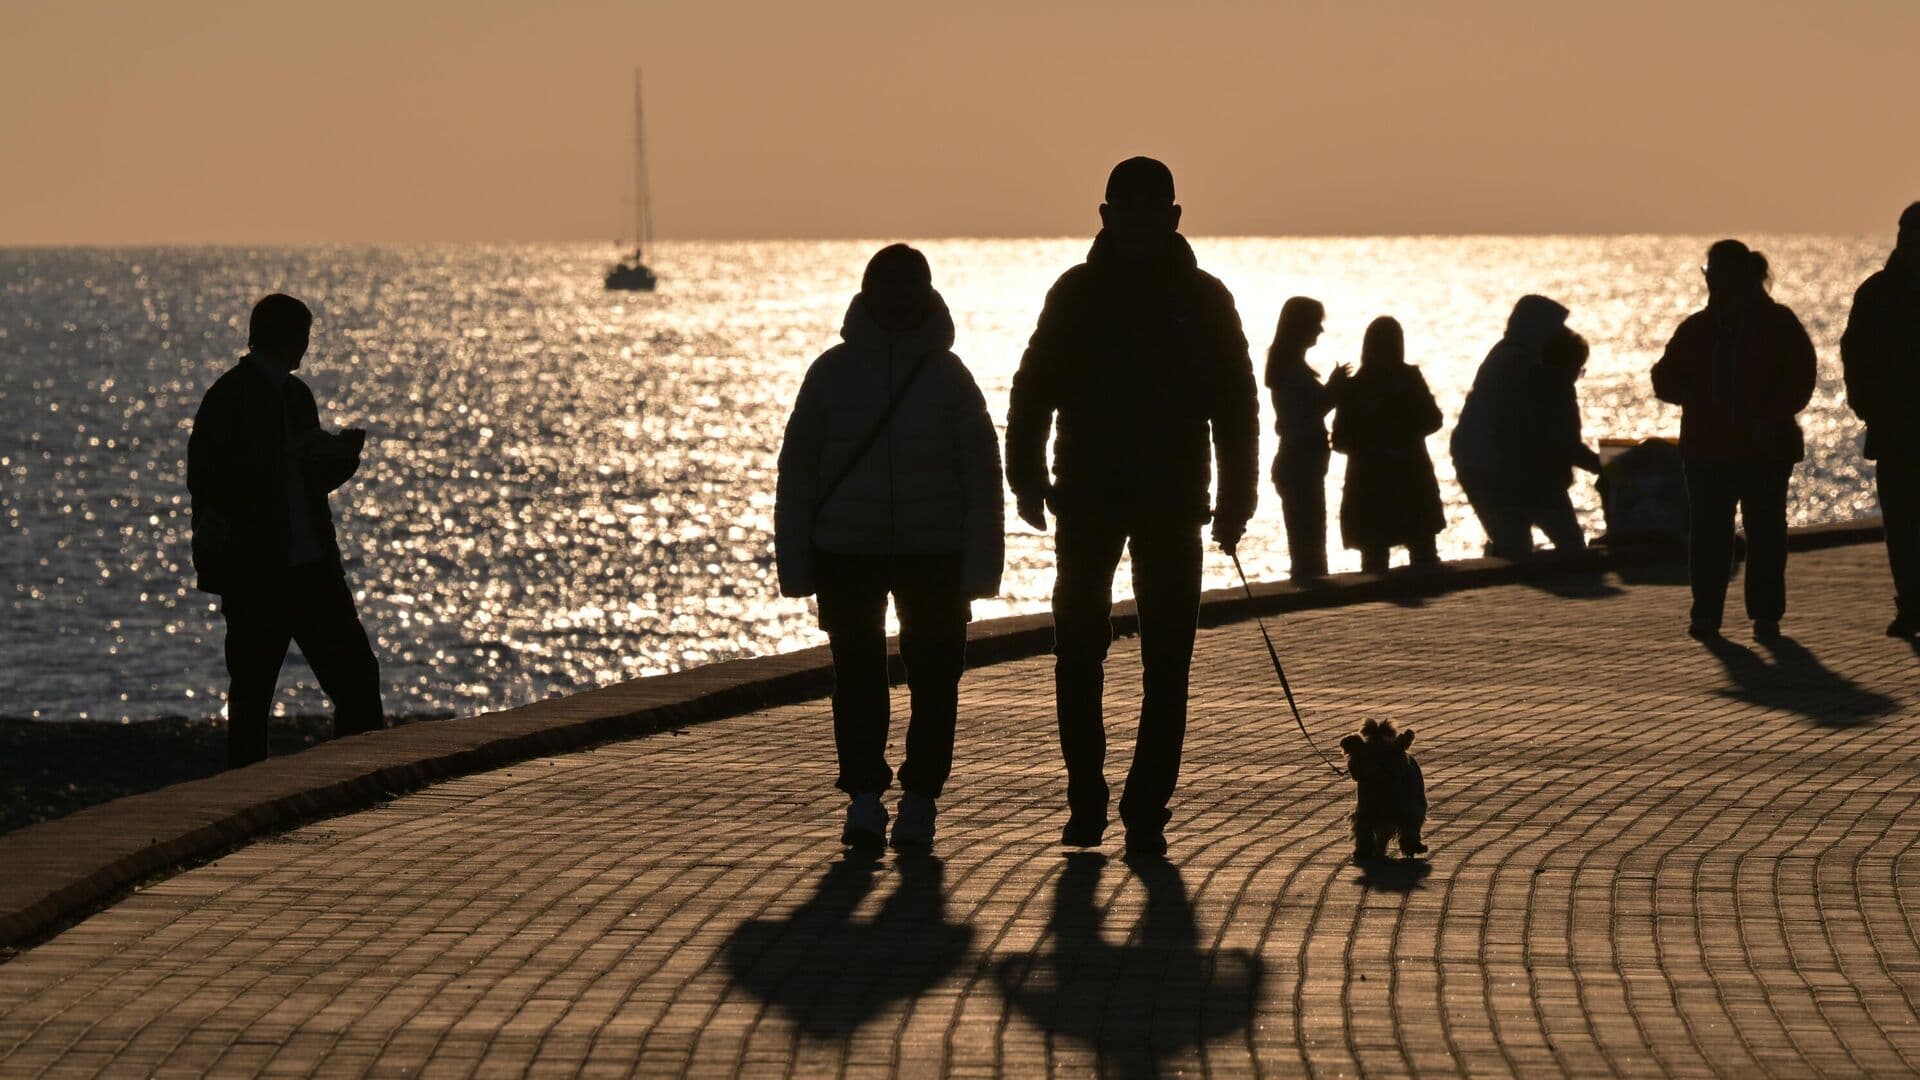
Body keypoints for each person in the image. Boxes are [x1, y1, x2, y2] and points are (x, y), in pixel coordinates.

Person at [1004, 157, 1258, 856]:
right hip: (1086, 496)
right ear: (1106, 217)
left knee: (1168, 662)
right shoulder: (1075, 293)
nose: (1141, 226)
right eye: (1128, 214)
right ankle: (1085, 798)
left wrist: (1237, 497)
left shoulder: (1206, 299)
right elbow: (1033, 387)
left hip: (1174, 502)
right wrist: (1025, 475)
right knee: (1077, 652)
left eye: (1153, 214)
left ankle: (1146, 807)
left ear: (1173, 218)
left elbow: (1236, 403)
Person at [775, 244, 1004, 851]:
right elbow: (797, 472)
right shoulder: (832, 373)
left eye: (910, 284)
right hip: (847, 548)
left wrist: (981, 567)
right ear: (868, 291)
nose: (900, 296)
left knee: (936, 678)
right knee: (856, 678)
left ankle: (922, 798)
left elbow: (982, 475)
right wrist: (796, 564)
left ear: (926, 293)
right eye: (889, 283)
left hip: (934, 551)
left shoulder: (949, 377)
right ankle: (864, 798)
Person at [187, 293, 385, 767]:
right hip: (258, 573)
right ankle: (254, 795)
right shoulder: (229, 397)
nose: (306, 346)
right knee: (254, 696)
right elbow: (208, 482)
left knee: (355, 681)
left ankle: (354, 780)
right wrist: (286, 458)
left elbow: (307, 484)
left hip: (311, 566)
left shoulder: (296, 396)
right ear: (283, 336)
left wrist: (340, 460)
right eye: (303, 336)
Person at [1652, 240, 1817, 641]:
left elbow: (1800, 380)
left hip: (1754, 447)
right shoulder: (1703, 328)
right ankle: (1728, 614)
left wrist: (1763, 414)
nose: (1710, 282)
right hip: (1722, 448)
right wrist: (1702, 395)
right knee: (1733, 532)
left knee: (1750, 532)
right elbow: (1664, 379)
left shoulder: (1768, 324)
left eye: (1713, 274)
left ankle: (1747, 614)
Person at [1451, 295, 1602, 557]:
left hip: (1481, 465)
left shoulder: (1505, 356)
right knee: (1567, 543)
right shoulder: (1540, 375)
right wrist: (1604, 467)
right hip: (1508, 471)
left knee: (1513, 544)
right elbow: (1559, 440)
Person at [1840, 201, 1920, 638]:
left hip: (1893, 427)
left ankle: (1911, 604)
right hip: (1895, 429)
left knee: (1903, 522)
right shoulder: (1876, 293)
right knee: (1902, 524)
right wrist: (1866, 404)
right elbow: (1855, 355)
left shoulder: (1877, 292)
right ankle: (1910, 603)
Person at [1330, 317, 1445, 572]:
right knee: (1424, 557)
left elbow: (1339, 440)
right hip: (1410, 478)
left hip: (1370, 484)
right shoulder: (1409, 379)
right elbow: (1434, 419)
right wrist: (1402, 438)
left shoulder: (1355, 387)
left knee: (1375, 563)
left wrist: (1374, 444)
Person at [1265, 296, 1348, 578]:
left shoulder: (1289, 368)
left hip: (1300, 463)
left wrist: (1332, 389)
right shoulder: (1292, 372)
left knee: (1308, 542)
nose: (1320, 329)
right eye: (1316, 323)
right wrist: (1335, 387)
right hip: (1300, 464)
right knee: (1309, 545)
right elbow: (1310, 410)